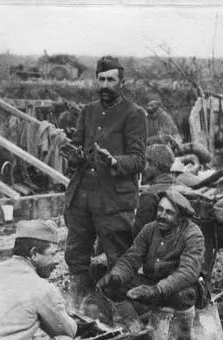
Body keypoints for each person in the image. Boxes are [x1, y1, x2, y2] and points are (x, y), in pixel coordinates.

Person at [63, 56, 147, 310]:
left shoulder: (134, 114)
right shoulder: (88, 111)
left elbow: (139, 159)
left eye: (111, 79)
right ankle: (78, 311)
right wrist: (74, 156)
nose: (105, 85)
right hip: (82, 197)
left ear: (121, 82)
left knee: (118, 259)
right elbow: (78, 143)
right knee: (76, 256)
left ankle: (123, 314)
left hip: (113, 200)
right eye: (101, 79)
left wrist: (114, 162)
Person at [97, 191, 205, 340]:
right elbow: (131, 258)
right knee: (111, 286)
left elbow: (188, 272)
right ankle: (137, 332)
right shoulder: (150, 229)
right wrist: (117, 276)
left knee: (185, 295)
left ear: (181, 217)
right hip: (152, 282)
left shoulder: (193, 234)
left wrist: (156, 290)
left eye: (169, 213)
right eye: (160, 209)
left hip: (178, 286)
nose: (162, 215)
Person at [132, 143, 189, 236]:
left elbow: (138, 235)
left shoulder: (149, 196)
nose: (143, 169)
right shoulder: (183, 188)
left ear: (155, 164)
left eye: (146, 164)